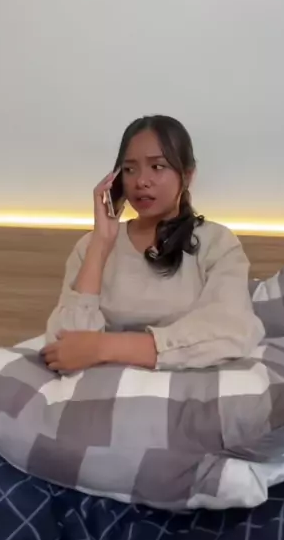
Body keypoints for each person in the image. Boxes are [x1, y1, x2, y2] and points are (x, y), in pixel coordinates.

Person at [41, 115, 265, 372]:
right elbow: (64, 347)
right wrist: (101, 243)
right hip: (100, 389)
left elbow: (231, 330)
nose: (141, 181)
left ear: (187, 175)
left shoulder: (217, 243)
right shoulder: (90, 246)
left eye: (157, 167)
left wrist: (104, 347)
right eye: (129, 169)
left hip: (186, 388)